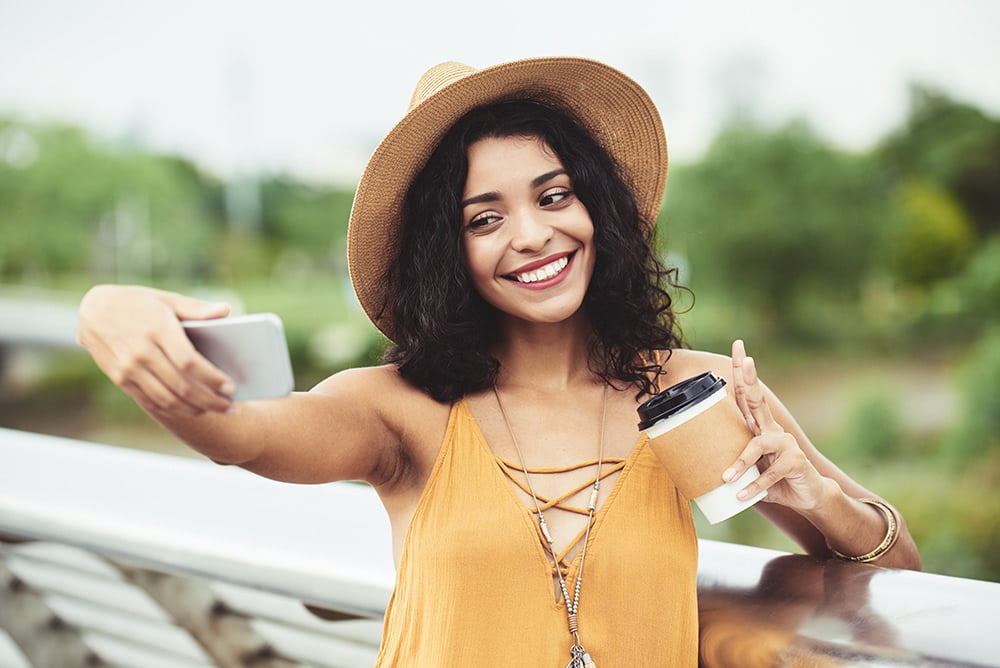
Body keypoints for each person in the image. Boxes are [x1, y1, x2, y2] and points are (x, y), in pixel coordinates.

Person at [77, 58, 921, 666]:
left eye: (554, 196)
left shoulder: (693, 388)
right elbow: (240, 434)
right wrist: (105, 314)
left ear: (600, 208)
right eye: (485, 218)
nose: (532, 235)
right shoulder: (394, 408)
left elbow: (900, 573)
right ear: (449, 252)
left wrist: (813, 496)